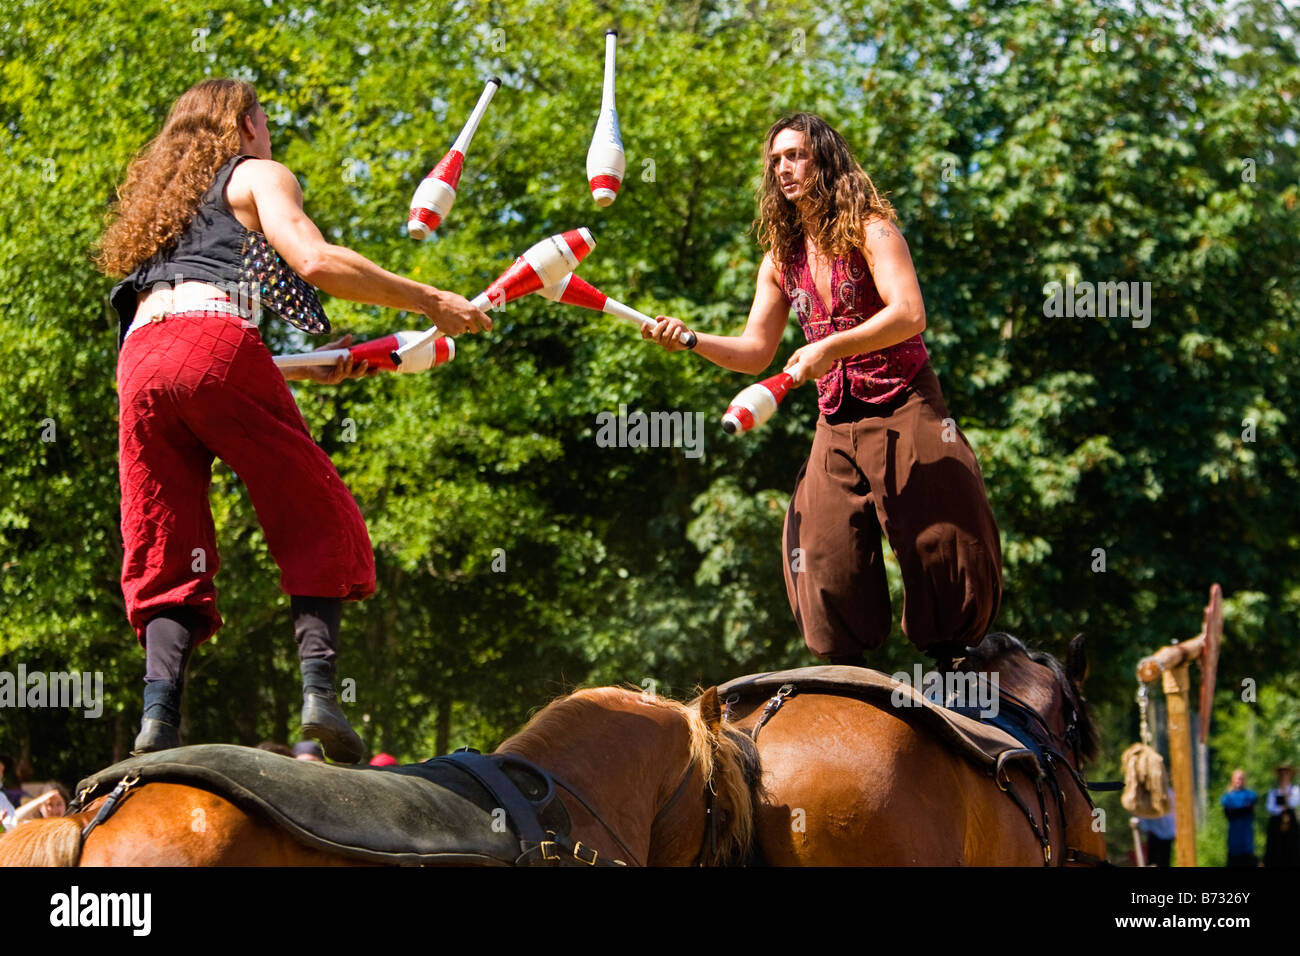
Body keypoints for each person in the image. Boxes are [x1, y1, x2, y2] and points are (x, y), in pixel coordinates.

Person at [96, 78, 490, 762]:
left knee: (162, 539)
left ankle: (158, 720)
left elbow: (178, 350)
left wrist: (306, 365)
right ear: (245, 124)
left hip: (140, 368)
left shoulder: (161, 213)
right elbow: (312, 261)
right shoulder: (257, 175)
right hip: (210, 350)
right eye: (267, 121)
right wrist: (432, 301)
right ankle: (321, 697)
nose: (271, 135)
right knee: (313, 505)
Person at [647, 113, 1002, 668]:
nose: (784, 169)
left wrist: (829, 347)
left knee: (941, 543)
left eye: (796, 155)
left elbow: (910, 314)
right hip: (836, 422)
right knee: (820, 553)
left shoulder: (873, 229)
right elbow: (755, 352)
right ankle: (850, 685)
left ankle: (959, 672)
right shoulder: (780, 260)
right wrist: (690, 339)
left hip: (903, 400)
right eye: (776, 161)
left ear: (826, 159)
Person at [1221, 768, 1258, 867]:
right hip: (1234, 840)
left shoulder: (1250, 795)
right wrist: (1243, 809)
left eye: (1241, 778)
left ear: (1244, 780)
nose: (1238, 781)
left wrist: (1236, 810)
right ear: (1232, 780)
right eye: (1236, 778)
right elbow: (1229, 813)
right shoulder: (1228, 797)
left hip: (1247, 841)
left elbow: (1248, 807)